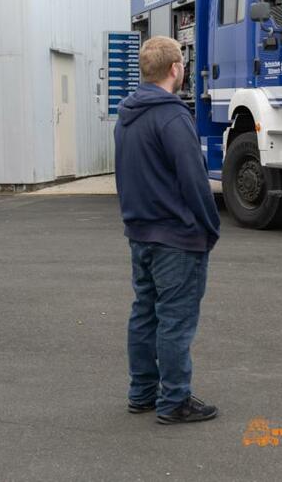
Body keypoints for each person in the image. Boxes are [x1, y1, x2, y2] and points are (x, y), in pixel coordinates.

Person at [114, 36, 221, 425]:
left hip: (140, 232)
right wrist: (210, 226)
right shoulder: (174, 117)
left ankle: (142, 392)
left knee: (145, 313)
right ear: (176, 69)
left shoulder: (127, 113)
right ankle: (174, 400)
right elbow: (194, 180)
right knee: (175, 319)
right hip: (177, 237)